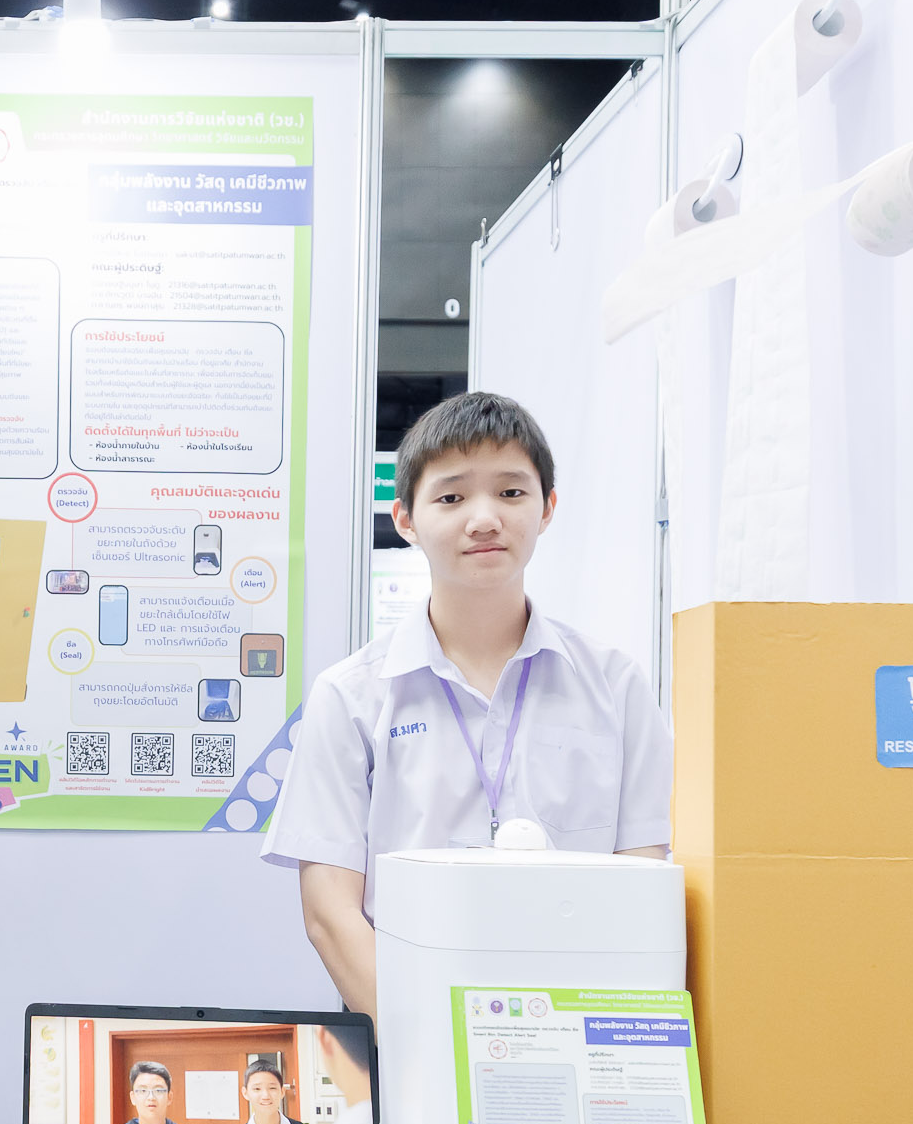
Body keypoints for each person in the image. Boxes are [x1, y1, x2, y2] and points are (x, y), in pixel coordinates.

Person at [261, 391, 671, 1014]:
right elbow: (330, 913)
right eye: (451, 498)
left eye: (510, 492)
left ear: (547, 507)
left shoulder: (616, 686)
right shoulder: (351, 696)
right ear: (405, 519)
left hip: (577, 1027)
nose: (484, 519)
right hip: (400, 1023)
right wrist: (422, 1039)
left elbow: (642, 889)